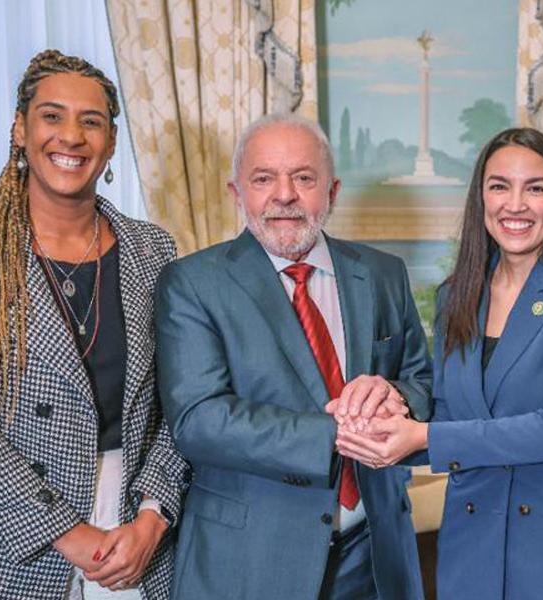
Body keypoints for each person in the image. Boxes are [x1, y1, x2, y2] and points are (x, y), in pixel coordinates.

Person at [0, 50, 188, 600]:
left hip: (133, 544)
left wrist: (153, 518)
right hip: (1, 546)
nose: (72, 137)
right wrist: (63, 530)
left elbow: (181, 402)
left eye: (92, 122)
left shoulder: (153, 251)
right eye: (52, 116)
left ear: (110, 142)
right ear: (20, 129)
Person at [334, 127, 543, 599]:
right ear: (481, 198)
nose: (516, 204)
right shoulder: (456, 295)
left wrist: (424, 436)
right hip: (472, 544)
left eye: (535, 188)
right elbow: (452, 416)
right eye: (499, 186)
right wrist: (386, 424)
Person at [155, 112, 431, 600]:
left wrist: (394, 395)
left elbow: (424, 386)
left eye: (304, 178)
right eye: (264, 179)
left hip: (376, 558)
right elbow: (199, 418)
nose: (284, 195)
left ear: (332, 191)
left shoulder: (384, 274)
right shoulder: (194, 283)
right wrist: (338, 432)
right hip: (250, 562)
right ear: (237, 193)